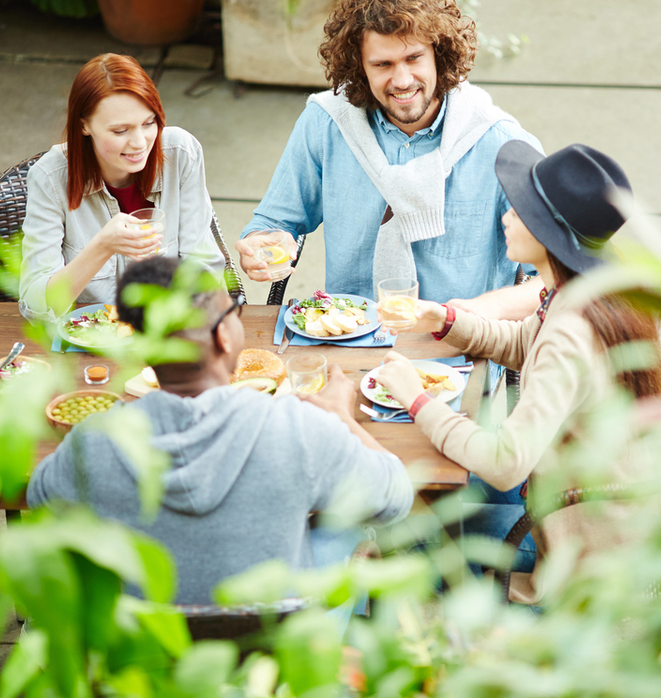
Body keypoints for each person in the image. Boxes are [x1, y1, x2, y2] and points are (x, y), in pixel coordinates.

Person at [374, 142, 661, 603]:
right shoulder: (586, 291)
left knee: (393, 543)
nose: (506, 218)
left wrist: (417, 400)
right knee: (423, 511)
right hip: (588, 522)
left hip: (577, 565)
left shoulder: (571, 330)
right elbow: (522, 344)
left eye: (518, 210)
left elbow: (504, 462)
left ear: (548, 232)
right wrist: (445, 320)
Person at [26, 256, 414, 605]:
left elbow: (40, 499)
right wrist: (340, 417)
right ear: (223, 336)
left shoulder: (96, 442)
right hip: (273, 661)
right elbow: (395, 497)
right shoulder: (298, 428)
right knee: (345, 533)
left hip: (147, 664)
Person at [236, 0, 544, 319]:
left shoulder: (502, 145)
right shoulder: (325, 124)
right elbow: (275, 223)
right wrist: (261, 246)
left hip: (458, 349)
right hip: (348, 336)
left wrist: (474, 312)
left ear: (438, 54)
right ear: (359, 68)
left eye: (413, 58)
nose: (401, 80)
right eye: (383, 64)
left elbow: (563, 276)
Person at [19, 53, 225, 322]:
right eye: (120, 131)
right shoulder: (50, 178)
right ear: (84, 125)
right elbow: (36, 307)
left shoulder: (180, 154)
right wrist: (102, 246)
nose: (140, 142)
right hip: (90, 343)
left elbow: (206, 269)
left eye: (149, 123)